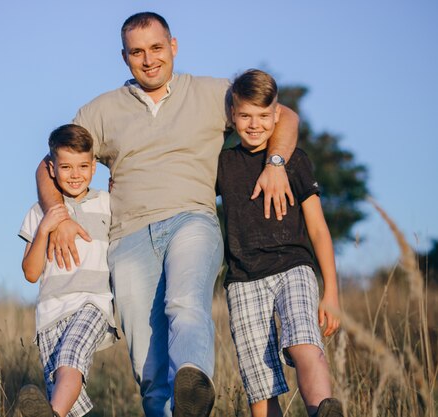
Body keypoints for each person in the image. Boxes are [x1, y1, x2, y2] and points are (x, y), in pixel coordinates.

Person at [36, 12, 300, 417]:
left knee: (184, 300)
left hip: (191, 219)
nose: (148, 60)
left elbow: (284, 115)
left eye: (156, 48)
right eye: (137, 52)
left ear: (173, 46)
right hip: (128, 237)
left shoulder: (214, 94)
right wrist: (58, 212)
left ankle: (192, 383)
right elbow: (48, 164)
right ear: (124, 56)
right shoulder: (101, 111)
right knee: (147, 358)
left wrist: (276, 163)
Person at [216, 69, 343, 417]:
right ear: (232, 116)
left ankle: (322, 411)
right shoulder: (222, 165)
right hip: (243, 280)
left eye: (263, 116)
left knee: (305, 342)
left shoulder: (295, 160)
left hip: (293, 268)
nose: (254, 124)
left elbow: (318, 229)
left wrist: (330, 292)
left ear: (277, 115)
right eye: (245, 115)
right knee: (260, 382)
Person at [17, 124, 117, 417]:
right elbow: (31, 272)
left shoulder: (107, 203)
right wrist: (45, 228)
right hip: (50, 313)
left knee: (71, 358)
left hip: (93, 303)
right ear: (51, 168)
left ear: (94, 166)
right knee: (69, 400)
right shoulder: (38, 212)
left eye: (83, 166)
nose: (75, 174)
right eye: (66, 167)